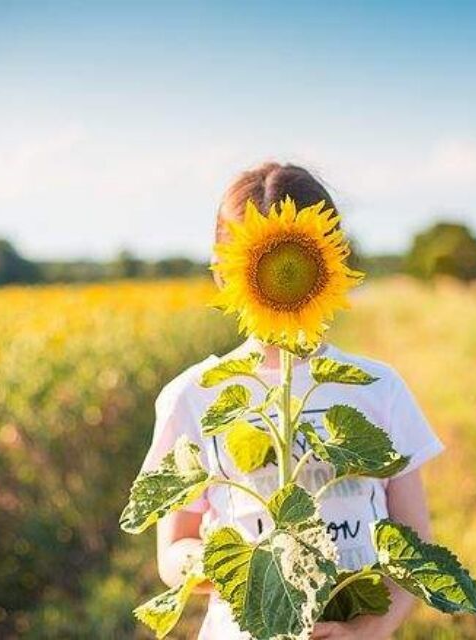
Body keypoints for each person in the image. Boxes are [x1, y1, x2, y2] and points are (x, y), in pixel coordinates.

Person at [140, 162, 445, 640]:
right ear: (224, 273)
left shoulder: (377, 388)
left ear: (332, 260)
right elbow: (172, 551)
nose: (285, 273)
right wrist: (241, 563)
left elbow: (416, 548)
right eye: (262, 259)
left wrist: (365, 632)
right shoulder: (194, 395)